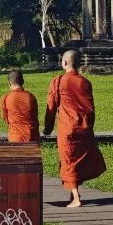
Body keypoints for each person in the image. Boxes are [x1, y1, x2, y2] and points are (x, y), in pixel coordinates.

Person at [43, 49, 106, 208]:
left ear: (64, 63)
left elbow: (51, 107)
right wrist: (89, 127)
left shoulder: (58, 81)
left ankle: (76, 198)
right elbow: (90, 109)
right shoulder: (85, 82)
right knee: (76, 161)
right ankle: (73, 194)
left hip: (68, 128)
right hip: (84, 127)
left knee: (68, 162)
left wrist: (48, 128)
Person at [0, 69, 39, 143]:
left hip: (16, 138)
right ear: (23, 82)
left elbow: (6, 118)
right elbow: (35, 116)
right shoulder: (31, 97)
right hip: (32, 138)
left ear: (9, 83)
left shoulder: (6, 98)